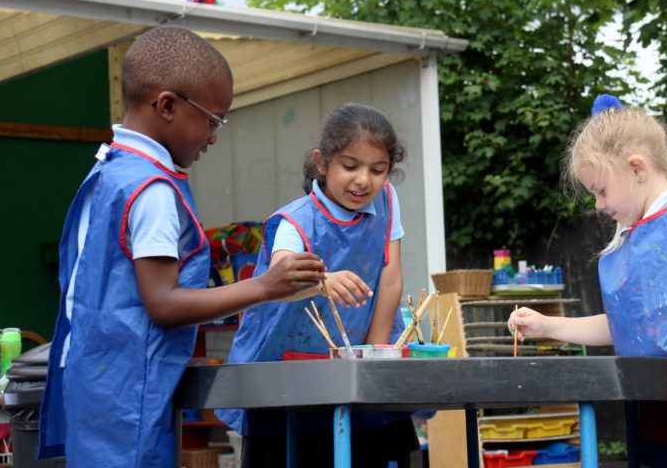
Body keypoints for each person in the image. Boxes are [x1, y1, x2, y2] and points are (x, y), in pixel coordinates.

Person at [38, 26, 325, 468]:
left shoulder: (111, 169)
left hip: (96, 384)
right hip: (129, 397)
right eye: (213, 120)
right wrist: (267, 286)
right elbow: (162, 303)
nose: (213, 137)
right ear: (168, 105)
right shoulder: (151, 190)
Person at [509, 95, 667, 466]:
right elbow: (626, 327)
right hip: (659, 418)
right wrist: (547, 325)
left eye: (601, 190)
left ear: (637, 168)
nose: (598, 205)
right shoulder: (625, 244)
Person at [216, 103, 419, 467]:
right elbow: (280, 278)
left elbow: (390, 278)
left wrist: (372, 356)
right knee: (296, 449)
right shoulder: (294, 221)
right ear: (322, 163)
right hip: (286, 362)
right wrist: (323, 281)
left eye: (378, 169)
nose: (364, 180)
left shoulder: (387, 199)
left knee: (378, 442)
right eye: (350, 166)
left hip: (356, 355)